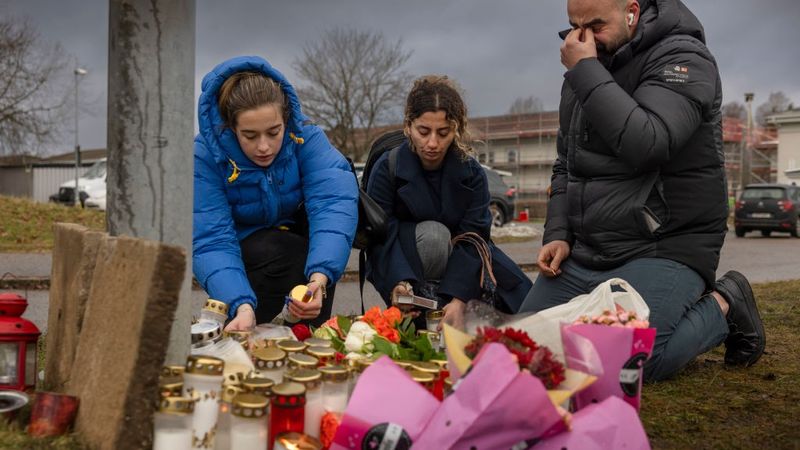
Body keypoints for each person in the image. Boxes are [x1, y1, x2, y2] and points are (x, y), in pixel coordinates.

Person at [519, 0, 765, 381]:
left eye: (595, 26)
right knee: (525, 348)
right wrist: (558, 232)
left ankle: (726, 302)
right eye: (574, 26)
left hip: (664, 245)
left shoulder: (684, 57)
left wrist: (585, 71)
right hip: (590, 250)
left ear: (631, 12)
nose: (581, 39)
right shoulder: (587, 66)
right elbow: (566, 163)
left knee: (628, 364)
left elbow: (648, 142)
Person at [193, 56, 359, 331]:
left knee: (312, 259)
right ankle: (250, 322)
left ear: (287, 120)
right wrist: (239, 304)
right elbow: (210, 239)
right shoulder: (204, 156)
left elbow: (333, 203)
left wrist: (319, 280)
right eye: (250, 136)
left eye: (273, 132)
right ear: (230, 127)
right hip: (241, 250)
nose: (264, 147)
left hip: (295, 242)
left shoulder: (305, 137)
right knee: (282, 252)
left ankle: (310, 335)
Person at [365, 75, 532, 329]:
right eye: (423, 132)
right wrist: (397, 283)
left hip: (461, 260)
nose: (432, 143)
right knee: (435, 236)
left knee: (527, 305)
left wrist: (459, 297)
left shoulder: (473, 173)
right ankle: (421, 310)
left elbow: (474, 236)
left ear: (456, 130)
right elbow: (381, 237)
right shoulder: (387, 168)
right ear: (408, 126)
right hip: (406, 258)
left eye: (443, 133)